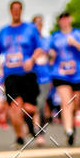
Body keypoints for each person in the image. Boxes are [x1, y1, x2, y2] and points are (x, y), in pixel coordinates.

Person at [0, 1, 41, 147]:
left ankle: (32, 121)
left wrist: (31, 60)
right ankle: (19, 136)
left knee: (29, 107)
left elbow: (39, 49)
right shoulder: (3, 31)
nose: (16, 12)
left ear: (22, 11)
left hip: (27, 73)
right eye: (14, 10)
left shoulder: (30, 29)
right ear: (10, 11)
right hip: (11, 74)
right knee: (14, 105)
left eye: (19, 10)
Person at [48, 12, 80, 146]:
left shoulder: (78, 34)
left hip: (77, 75)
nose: (64, 21)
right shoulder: (55, 37)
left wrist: (75, 44)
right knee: (66, 102)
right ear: (59, 21)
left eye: (66, 18)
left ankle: (71, 125)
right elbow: (49, 53)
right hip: (60, 74)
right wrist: (51, 55)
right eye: (62, 19)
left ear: (70, 20)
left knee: (75, 105)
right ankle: (68, 130)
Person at [32, 15, 51, 146]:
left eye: (40, 23)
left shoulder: (47, 41)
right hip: (31, 77)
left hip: (45, 77)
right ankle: (31, 128)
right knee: (33, 106)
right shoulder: (29, 43)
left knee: (40, 104)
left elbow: (53, 56)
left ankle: (40, 132)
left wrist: (49, 54)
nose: (39, 26)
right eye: (36, 23)